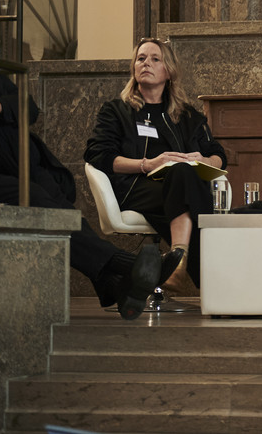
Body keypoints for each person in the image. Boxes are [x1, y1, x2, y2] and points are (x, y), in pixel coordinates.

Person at [0, 0, 177, 320]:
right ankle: (124, 265)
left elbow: (29, 107)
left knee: (51, 189)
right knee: (34, 194)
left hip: (11, 165)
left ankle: (111, 281)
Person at [85, 37, 226, 293]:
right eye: (141, 59)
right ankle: (207, 275)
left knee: (184, 175)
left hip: (177, 187)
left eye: (154, 59)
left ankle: (178, 262)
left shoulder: (186, 115)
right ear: (133, 68)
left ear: (169, 71)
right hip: (134, 186)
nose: (146, 63)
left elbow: (218, 155)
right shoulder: (116, 111)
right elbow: (98, 155)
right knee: (191, 191)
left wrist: (203, 160)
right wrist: (148, 164)